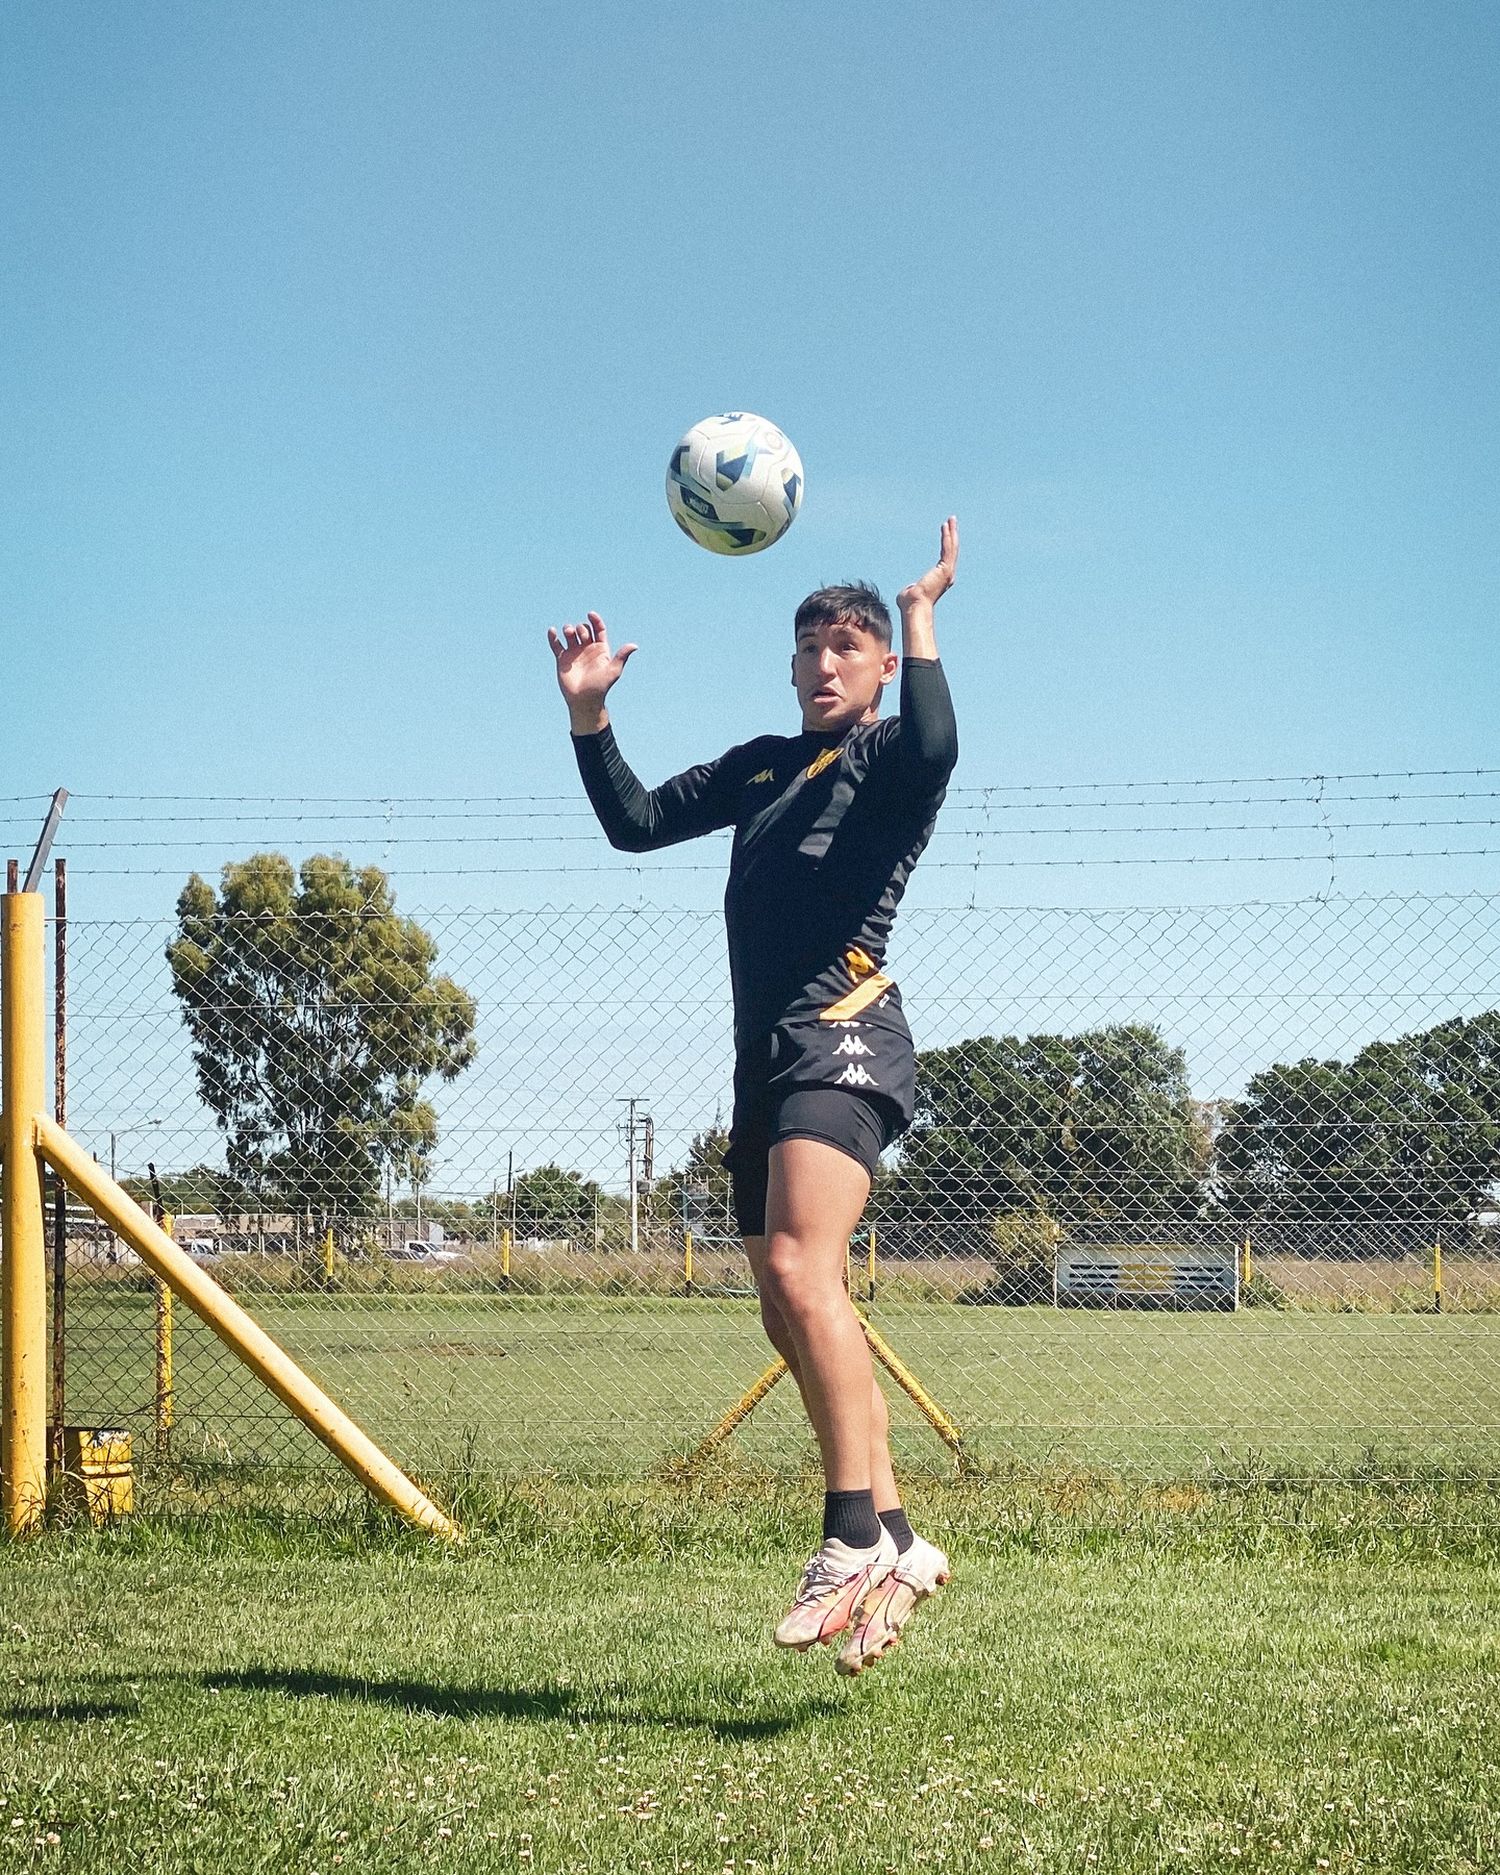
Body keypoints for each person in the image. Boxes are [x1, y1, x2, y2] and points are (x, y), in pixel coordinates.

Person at [548, 517, 960, 1675]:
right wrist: (590, 714)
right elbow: (634, 826)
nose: (826, 663)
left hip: (846, 1036)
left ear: (878, 670)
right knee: (787, 1303)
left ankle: (847, 1537)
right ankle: (902, 1538)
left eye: (850, 647)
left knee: (795, 1269)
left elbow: (937, 744)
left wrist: (920, 615)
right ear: (790, 668)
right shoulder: (762, 765)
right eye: (810, 647)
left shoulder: (886, 760)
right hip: (763, 1059)